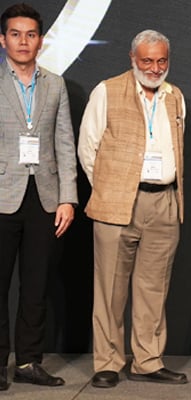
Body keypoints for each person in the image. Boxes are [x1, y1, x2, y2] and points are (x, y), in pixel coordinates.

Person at [77, 29, 187, 389]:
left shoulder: (176, 97)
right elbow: (87, 149)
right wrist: (111, 189)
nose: (155, 68)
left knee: (154, 288)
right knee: (110, 288)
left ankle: (147, 360)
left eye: (161, 61)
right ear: (132, 59)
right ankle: (108, 361)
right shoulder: (106, 91)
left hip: (164, 201)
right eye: (147, 61)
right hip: (117, 202)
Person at [0, 3, 77, 391]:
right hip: (1, 194)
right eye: (15, 33)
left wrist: (68, 198)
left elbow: (64, 141)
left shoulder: (54, 83)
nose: (23, 41)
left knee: (36, 286)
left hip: (44, 198)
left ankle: (28, 361)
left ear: (41, 40)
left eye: (30, 34)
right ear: (2, 39)